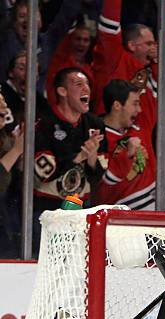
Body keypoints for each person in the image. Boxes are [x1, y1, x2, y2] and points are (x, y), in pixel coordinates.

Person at [33, 68, 105, 247]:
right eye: (79, 84)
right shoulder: (44, 123)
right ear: (62, 91)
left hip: (81, 209)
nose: (86, 88)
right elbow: (43, 173)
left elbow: (97, 176)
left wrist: (90, 158)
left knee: (77, 263)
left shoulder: (95, 125)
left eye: (87, 84)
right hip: (46, 209)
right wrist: (78, 156)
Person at [91, 0, 165, 116]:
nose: (154, 49)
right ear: (132, 45)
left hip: (145, 134)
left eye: (155, 44)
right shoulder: (113, 61)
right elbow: (110, 25)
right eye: (149, 44)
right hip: (109, 132)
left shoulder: (153, 72)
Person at [94, 79, 156, 210]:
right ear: (117, 105)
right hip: (122, 216)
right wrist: (126, 155)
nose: (139, 110)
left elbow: (156, 81)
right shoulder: (96, 137)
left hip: (160, 203)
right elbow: (104, 184)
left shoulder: (141, 125)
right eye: (135, 104)